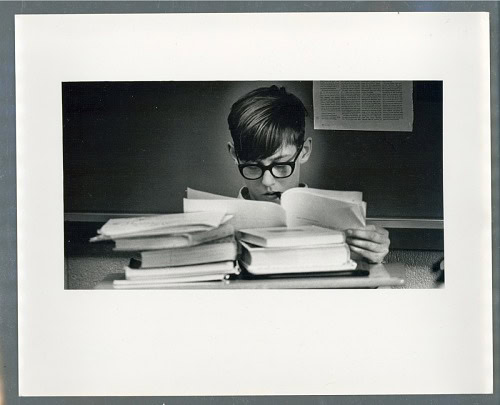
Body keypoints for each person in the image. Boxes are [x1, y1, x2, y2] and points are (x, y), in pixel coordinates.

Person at [226, 85, 390, 264]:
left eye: (281, 165)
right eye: (252, 166)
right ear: (235, 155)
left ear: (304, 151)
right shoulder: (218, 226)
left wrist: (372, 259)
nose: (267, 181)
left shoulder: (341, 218)